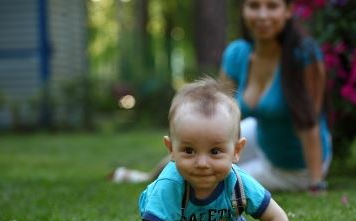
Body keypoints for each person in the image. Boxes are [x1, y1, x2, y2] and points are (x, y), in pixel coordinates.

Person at [111, 0, 331, 193]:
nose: (262, 15)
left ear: (288, 10)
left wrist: (316, 182)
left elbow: (310, 121)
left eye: (272, 6)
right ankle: (149, 177)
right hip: (262, 135)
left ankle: (166, 181)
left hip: (295, 164)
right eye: (254, 5)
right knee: (198, 143)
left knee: (211, 179)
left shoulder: (304, 54)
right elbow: (218, 113)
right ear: (243, 10)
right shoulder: (237, 54)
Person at [135, 78, 293, 221]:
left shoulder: (238, 182)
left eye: (215, 151)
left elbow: (275, 216)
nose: (202, 163)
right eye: (189, 150)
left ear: (236, 151)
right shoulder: (170, 185)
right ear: (171, 149)